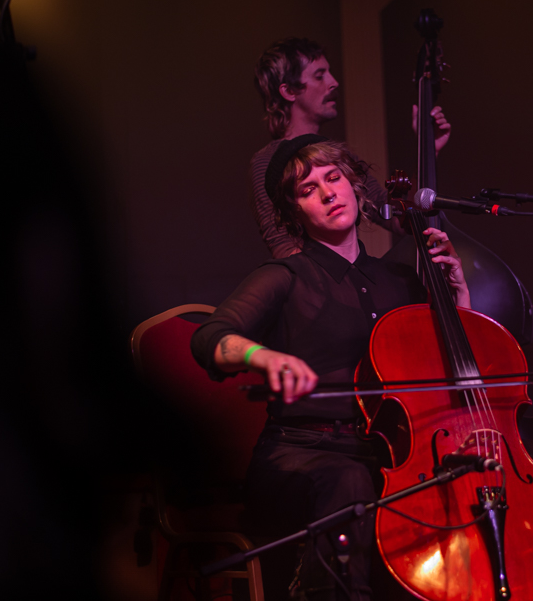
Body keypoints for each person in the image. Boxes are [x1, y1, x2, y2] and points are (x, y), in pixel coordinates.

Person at [192, 136, 469, 600]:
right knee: (350, 482)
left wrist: (457, 295)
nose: (326, 194)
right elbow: (210, 338)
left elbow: (445, 362)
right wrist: (260, 355)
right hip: (301, 454)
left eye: (334, 178)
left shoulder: (398, 281)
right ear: (294, 212)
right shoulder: (283, 276)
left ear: (356, 185)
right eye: (306, 190)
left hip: (387, 454)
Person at [251, 37, 451, 257]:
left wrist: (428, 150)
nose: (333, 82)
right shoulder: (268, 160)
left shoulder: (336, 153)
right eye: (319, 76)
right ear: (289, 91)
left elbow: (399, 221)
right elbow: (284, 247)